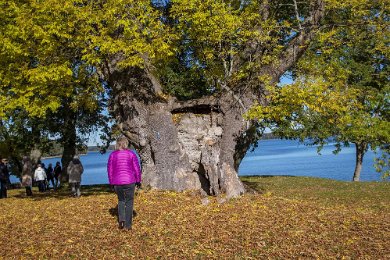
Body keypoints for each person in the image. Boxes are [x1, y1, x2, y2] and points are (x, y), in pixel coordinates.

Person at [107, 136, 141, 230]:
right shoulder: (131, 154)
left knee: (121, 200)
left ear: (117, 144)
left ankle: (121, 220)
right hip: (130, 181)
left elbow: (110, 170)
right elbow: (136, 169)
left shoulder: (112, 155)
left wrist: (111, 183)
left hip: (117, 182)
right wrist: (138, 181)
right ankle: (128, 225)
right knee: (129, 202)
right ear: (126, 143)